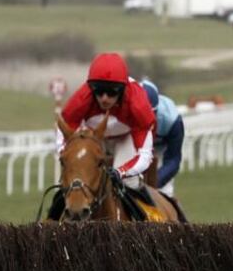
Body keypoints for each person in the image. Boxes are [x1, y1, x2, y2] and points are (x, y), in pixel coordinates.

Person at [48, 53, 157, 220]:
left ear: (122, 90)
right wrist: (68, 155)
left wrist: (120, 172)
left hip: (125, 139)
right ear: (91, 88)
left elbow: (145, 156)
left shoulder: (138, 104)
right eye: (99, 91)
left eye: (111, 93)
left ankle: (150, 219)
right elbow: (64, 133)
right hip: (94, 138)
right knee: (74, 179)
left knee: (130, 182)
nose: (104, 98)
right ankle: (49, 223)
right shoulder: (81, 99)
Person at [140, 80, 184, 198]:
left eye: (150, 115)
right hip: (136, 147)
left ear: (157, 111)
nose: (146, 121)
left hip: (160, 149)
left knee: (164, 193)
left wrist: (155, 181)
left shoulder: (171, 120)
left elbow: (173, 159)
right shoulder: (123, 114)